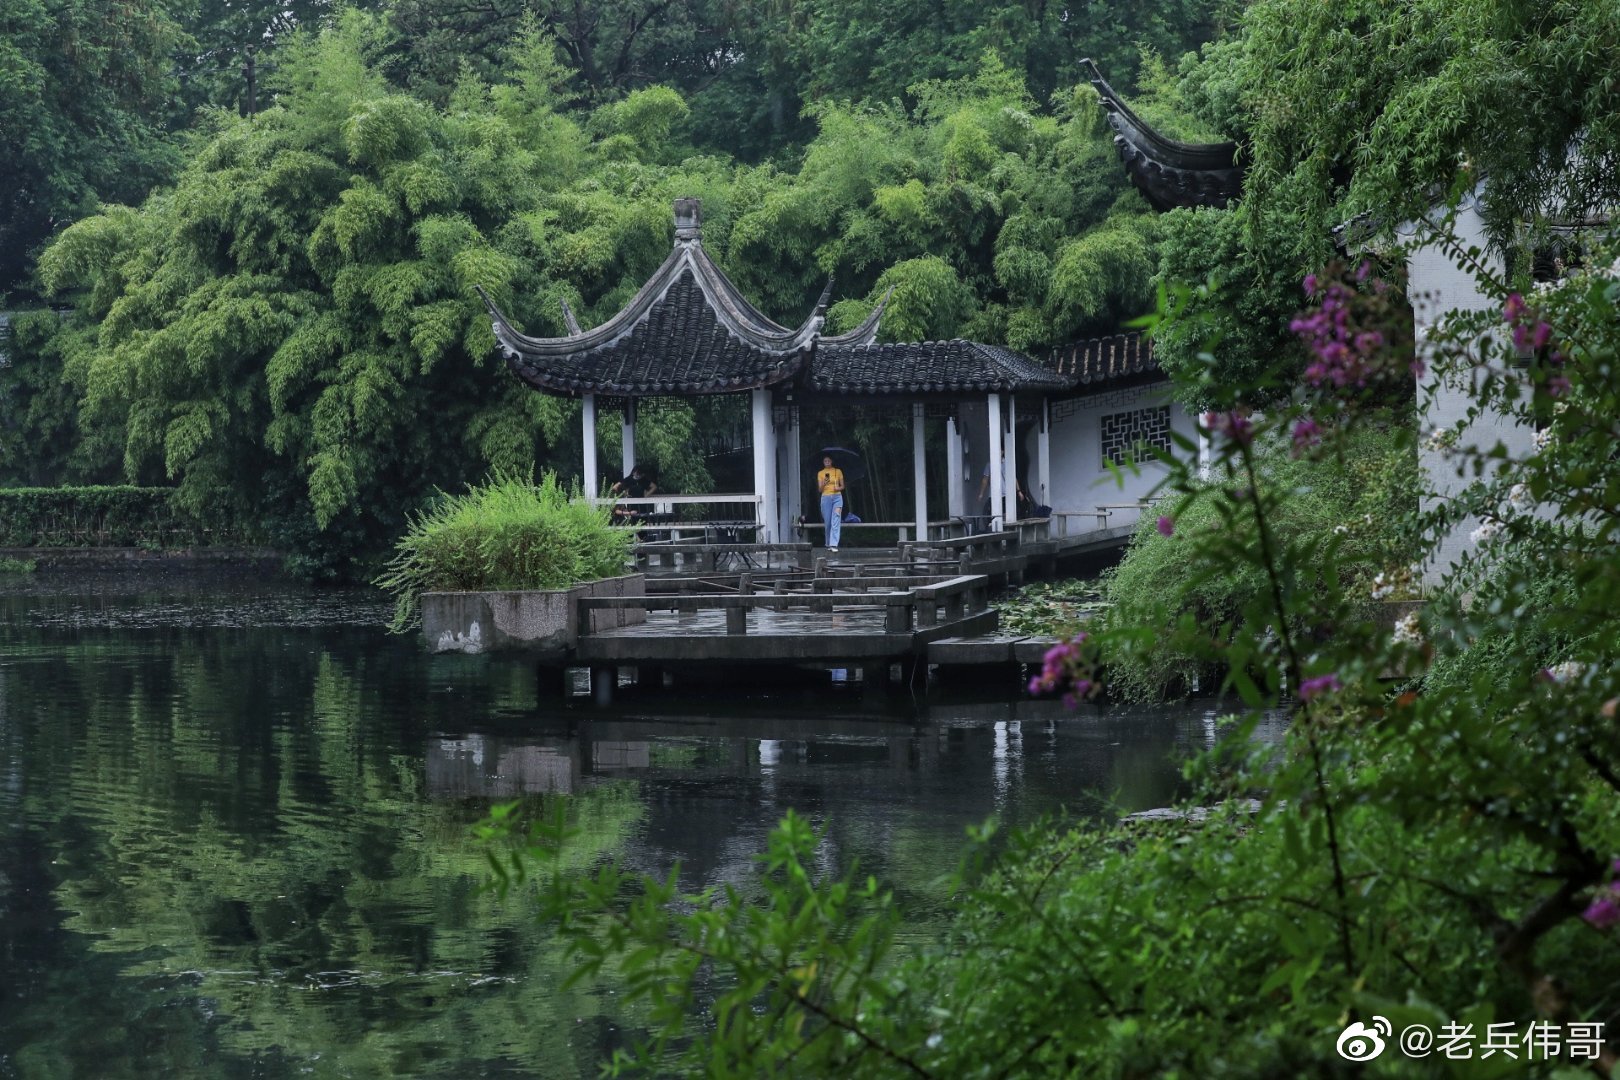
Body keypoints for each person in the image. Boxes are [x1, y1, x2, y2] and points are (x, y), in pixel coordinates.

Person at [816, 455, 844, 553]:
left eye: (828, 460)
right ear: (823, 462)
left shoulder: (838, 471)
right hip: (826, 498)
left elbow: (843, 486)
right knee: (828, 522)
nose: (827, 462)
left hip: (837, 497)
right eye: (825, 461)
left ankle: (834, 544)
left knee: (835, 520)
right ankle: (828, 543)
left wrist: (838, 488)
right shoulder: (821, 473)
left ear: (831, 461)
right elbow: (820, 489)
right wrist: (823, 483)